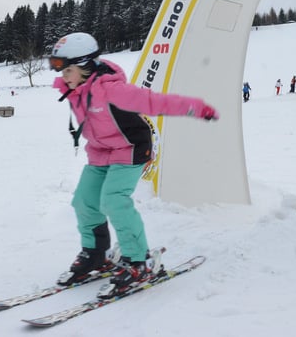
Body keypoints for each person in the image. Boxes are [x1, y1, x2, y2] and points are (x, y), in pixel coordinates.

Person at [49, 32, 219, 298]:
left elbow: (153, 101)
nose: (62, 77)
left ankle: (138, 262)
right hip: (100, 152)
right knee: (83, 201)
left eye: (67, 70)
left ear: (85, 66)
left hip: (131, 149)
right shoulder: (74, 90)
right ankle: (96, 255)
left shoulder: (112, 89)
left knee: (114, 200)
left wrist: (194, 107)